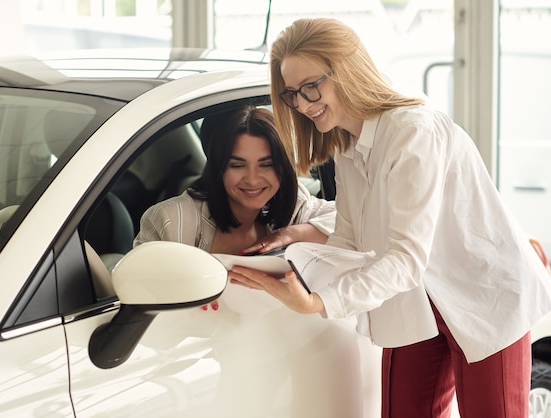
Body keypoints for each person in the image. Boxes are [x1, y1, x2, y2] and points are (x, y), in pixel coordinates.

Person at [227, 17, 551, 418]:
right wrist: (288, 267)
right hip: (417, 298)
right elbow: (350, 240)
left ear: (346, 69)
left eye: (311, 87)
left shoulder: (412, 133)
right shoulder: (345, 143)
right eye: (292, 93)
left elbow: (405, 259)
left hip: (482, 293)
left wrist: (318, 302)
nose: (304, 104)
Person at [134, 105, 336, 307]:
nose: (252, 179)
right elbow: (139, 292)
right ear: (218, 168)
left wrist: (293, 234)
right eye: (237, 165)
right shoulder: (171, 219)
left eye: (266, 164)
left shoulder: (295, 205)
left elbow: (355, 226)